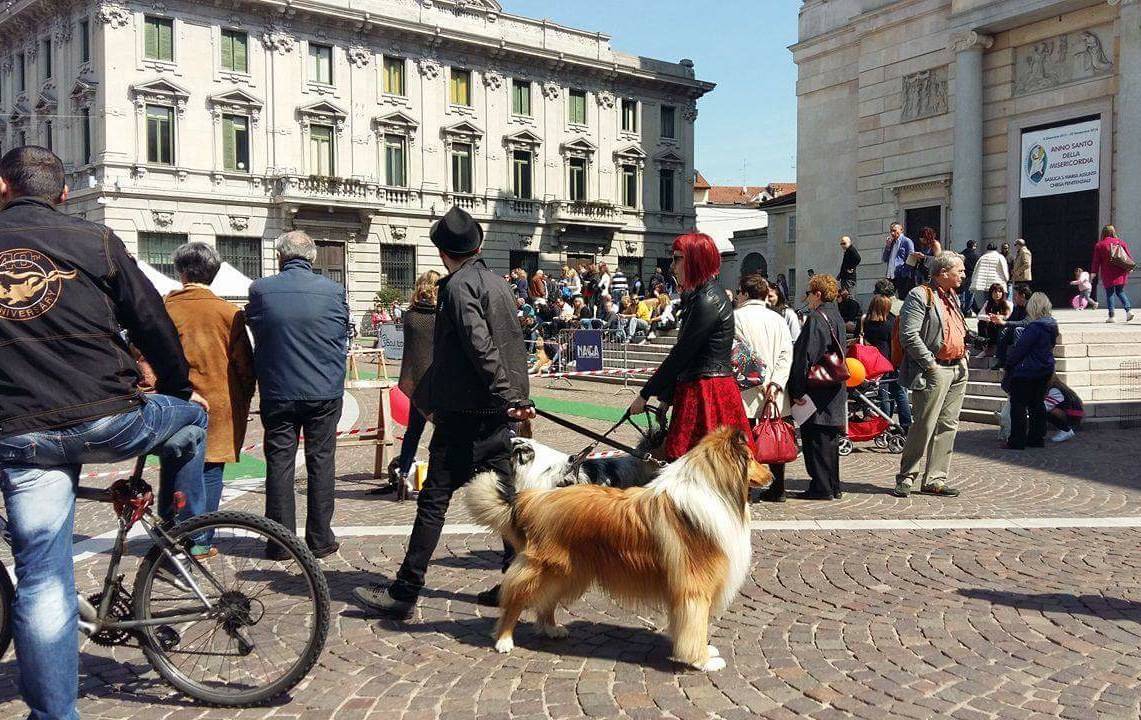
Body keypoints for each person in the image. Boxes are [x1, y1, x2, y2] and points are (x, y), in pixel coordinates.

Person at [0, 146, 210, 720]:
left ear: (2, 188)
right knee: (193, 418)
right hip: (108, 418)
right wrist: (175, 387)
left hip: (23, 437)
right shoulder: (97, 241)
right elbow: (152, 323)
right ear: (64, 193)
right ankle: (182, 523)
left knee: (43, 579)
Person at [355, 206, 534, 618]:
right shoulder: (498, 282)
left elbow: (480, 344)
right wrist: (514, 398)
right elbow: (512, 346)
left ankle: (404, 590)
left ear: (442, 252)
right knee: (507, 503)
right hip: (494, 414)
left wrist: (508, 394)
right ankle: (514, 585)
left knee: (434, 502)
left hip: (466, 416)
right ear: (478, 244)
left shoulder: (456, 288)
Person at [246, 230, 350, 560]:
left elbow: (256, 328)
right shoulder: (334, 290)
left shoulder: (261, 289)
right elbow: (341, 331)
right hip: (323, 389)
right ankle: (320, 539)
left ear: (280, 256)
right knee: (321, 462)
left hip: (279, 390)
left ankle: (280, 542)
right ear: (313, 257)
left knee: (279, 463)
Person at [164, 242, 257, 556]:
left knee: (174, 465)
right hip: (220, 401)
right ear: (214, 273)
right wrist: (244, 396)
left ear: (180, 272)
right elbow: (244, 364)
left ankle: (171, 533)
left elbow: (142, 354)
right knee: (211, 469)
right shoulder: (229, 313)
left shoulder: (164, 307)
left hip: (174, 401)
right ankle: (201, 540)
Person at [629, 232, 752, 459]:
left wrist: (645, 394)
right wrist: (666, 397)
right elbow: (686, 355)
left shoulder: (708, 299)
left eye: (677, 259)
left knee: (708, 467)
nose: (672, 267)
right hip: (699, 385)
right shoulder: (701, 296)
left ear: (695, 260)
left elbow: (682, 354)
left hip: (708, 389)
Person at [892, 252, 968, 498]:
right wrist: (930, 365)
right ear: (943, 272)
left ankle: (935, 478)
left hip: (958, 367)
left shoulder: (953, 296)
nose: (964, 274)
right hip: (935, 368)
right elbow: (909, 335)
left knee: (948, 425)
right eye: (960, 270)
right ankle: (906, 477)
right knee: (923, 424)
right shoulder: (920, 295)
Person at [788, 274, 848, 500]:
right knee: (830, 440)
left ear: (818, 294)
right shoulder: (837, 316)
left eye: (809, 293)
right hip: (834, 385)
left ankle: (821, 487)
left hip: (816, 387)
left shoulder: (816, 317)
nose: (808, 298)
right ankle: (833, 485)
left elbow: (806, 355)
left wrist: (797, 390)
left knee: (815, 439)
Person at [734, 274, 794, 502]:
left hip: (746, 389)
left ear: (746, 293)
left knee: (744, 440)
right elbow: (786, 354)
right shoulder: (778, 318)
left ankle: (746, 488)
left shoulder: (736, 317)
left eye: (739, 292)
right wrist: (776, 383)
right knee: (776, 436)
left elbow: (736, 353)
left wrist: (757, 381)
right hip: (775, 389)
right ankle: (778, 488)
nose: (738, 296)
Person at [389, 270, 441, 492]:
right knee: (441, 430)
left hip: (415, 381)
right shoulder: (442, 316)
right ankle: (435, 477)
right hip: (437, 379)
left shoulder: (409, 316)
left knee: (413, 430)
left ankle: (403, 472)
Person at [1004, 292, 1057, 450]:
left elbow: (1020, 349)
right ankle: (1036, 438)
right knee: (1037, 404)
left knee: (1018, 405)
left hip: (1027, 370)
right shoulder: (1052, 325)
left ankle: (1017, 440)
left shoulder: (1035, 327)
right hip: (1045, 368)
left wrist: (1009, 364)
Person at [858, 293, 911, 432]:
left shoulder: (867, 323)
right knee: (899, 393)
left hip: (875, 363)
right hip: (891, 361)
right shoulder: (890, 323)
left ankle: (885, 423)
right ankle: (905, 423)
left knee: (883, 394)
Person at [1090, 224, 1135, 323]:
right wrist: (1130, 268)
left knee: (1110, 293)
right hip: (1121, 272)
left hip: (1108, 273)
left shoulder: (1100, 245)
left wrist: (1093, 272)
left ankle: (1112, 316)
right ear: (1113, 232)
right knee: (1120, 291)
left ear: (1103, 233)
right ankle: (1129, 311)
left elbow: (1096, 261)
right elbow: (1127, 257)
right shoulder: (1121, 243)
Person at [969, 243, 1009, 312]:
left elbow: (976, 270)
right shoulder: (1000, 257)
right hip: (997, 282)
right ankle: (997, 312)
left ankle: (987, 312)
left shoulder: (983, 257)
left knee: (987, 300)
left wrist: (973, 281)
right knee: (998, 299)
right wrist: (1006, 279)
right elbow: (1004, 270)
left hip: (986, 284)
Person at [882, 222, 917, 299]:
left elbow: (912, 258)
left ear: (901, 230)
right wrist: (887, 246)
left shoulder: (906, 241)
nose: (892, 233)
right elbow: (884, 259)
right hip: (890, 275)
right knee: (887, 297)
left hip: (901, 275)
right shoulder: (891, 242)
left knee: (903, 297)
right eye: (891, 231)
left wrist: (905, 272)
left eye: (894, 230)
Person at [1044, 375, 1083, 443]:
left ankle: (1066, 430)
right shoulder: (1060, 386)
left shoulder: (1055, 389)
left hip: (1072, 415)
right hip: (1074, 413)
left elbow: (1046, 406)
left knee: (1044, 411)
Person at [976, 283, 1011, 358]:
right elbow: (979, 316)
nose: (997, 294)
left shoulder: (1007, 303)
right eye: (995, 292)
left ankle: (991, 350)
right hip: (991, 324)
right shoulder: (988, 303)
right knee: (981, 323)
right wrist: (989, 317)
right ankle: (985, 348)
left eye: (999, 292)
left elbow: (1007, 316)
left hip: (1002, 325)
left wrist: (999, 317)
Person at [960, 240, 980, 314]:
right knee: (970, 293)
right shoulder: (976, 256)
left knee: (964, 293)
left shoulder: (962, 254)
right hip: (972, 276)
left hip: (963, 275)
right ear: (973, 246)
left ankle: (974, 309)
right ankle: (966, 310)